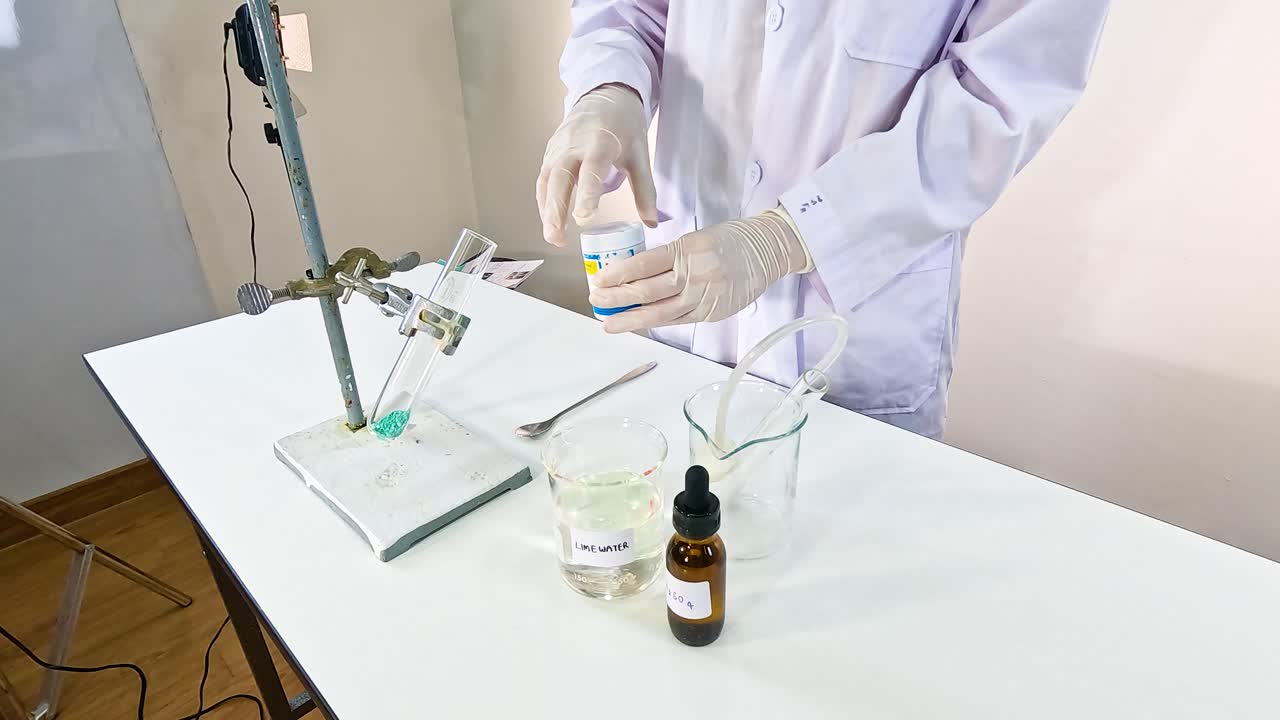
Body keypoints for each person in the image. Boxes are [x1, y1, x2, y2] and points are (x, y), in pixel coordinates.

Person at [537, 1, 1110, 439]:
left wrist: (787, 237)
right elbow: (631, 10)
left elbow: (1001, 97)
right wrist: (608, 88)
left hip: (852, 338)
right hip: (683, 326)